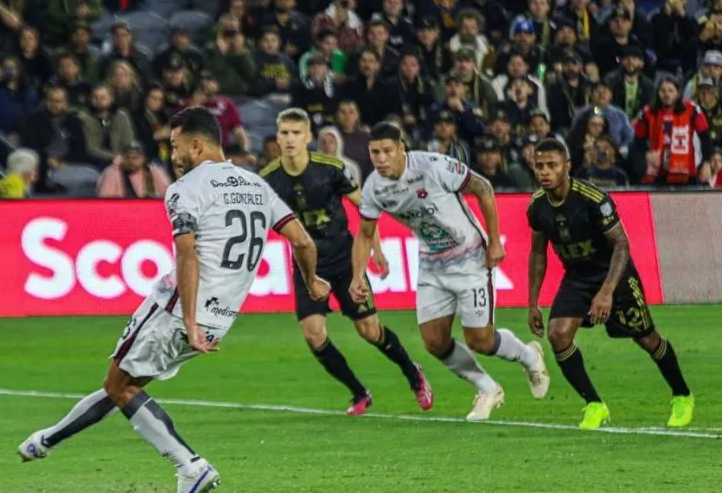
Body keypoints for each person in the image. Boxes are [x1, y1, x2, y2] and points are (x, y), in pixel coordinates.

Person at [17, 107, 330, 493]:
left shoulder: (186, 188)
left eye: (175, 144)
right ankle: (47, 440)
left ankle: (190, 466)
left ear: (196, 144)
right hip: (221, 318)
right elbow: (303, 242)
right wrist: (312, 281)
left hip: (177, 311)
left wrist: (188, 320)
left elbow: (187, 255)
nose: (172, 153)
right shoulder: (257, 186)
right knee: (124, 385)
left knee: (120, 386)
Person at [351, 123, 551, 422]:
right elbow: (365, 233)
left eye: (387, 151)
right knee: (434, 342)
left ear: (401, 148)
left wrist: (494, 241)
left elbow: (483, 188)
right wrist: (357, 276)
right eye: (375, 152)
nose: (381, 159)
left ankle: (529, 356)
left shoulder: (432, 166)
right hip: (432, 264)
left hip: (470, 258)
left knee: (480, 341)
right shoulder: (373, 187)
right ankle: (488, 389)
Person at [260, 109, 431, 415]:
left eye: (296, 133)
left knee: (369, 331)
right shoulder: (268, 179)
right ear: (278, 136)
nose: (289, 139)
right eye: (284, 133)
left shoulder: (330, 169)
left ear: (308, 136)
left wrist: (376, 250)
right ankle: (358, 392)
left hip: (344, 259)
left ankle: (412, 373)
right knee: (313, 334)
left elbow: (366, 209)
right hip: (307, 266)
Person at [527, 138, 694, 429]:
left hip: (614, 273)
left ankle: (682, 396)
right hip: (577, 276)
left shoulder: (593, 198)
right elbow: (538, 253)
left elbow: (621, 245)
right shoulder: (537, 207)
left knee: (646, 338)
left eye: (552, 165)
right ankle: (594, 405)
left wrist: (606, 292)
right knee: (557, 334)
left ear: (567, 166)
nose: (545, 171)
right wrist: (533, 303)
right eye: (539, 166)